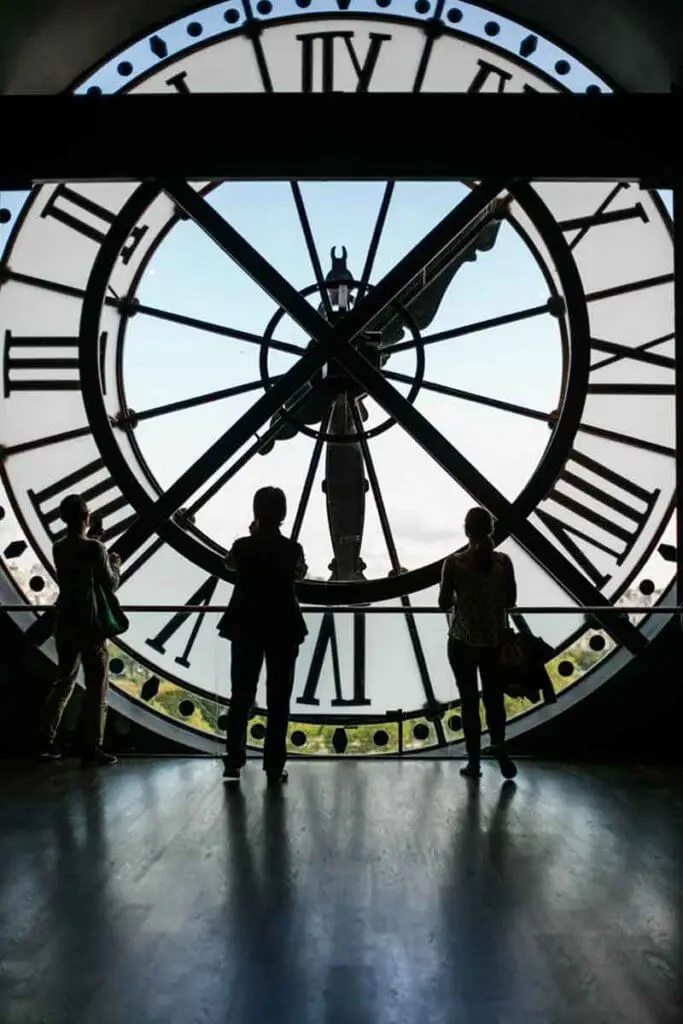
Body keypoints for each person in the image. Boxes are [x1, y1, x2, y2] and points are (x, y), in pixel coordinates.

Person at [218, 487, 308, 785]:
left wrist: (251, 533)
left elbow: (230, 563)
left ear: (256, 511)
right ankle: (273, 764)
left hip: (246, 625)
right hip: (283, 626)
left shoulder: (242, 547)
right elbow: (299, 574)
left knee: (241, 695)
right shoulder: (292, 549)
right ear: (283, 514)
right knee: (279, 700)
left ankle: (234, 761)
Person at [37, 494, 121, 766]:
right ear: (86, 517)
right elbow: (109, 583)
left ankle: (46, 740)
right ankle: (92, 746)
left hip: (66, 620)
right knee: (97, 687)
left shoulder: (58, 547)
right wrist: (115, 563)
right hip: (90, 624)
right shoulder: (96, 550)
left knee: (64, 681)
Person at [439, 507, 518, 781]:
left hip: (462, 642)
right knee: (494, 700)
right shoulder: (503, 563)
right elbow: (510, 601)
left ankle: (474, 763)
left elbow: (443, 602)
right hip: (494, 642)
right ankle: (500, 747)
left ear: (466, 530)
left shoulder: (454, 563)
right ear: (491, 530)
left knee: (469, 703)